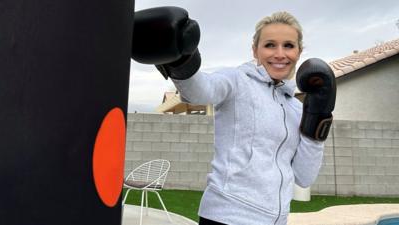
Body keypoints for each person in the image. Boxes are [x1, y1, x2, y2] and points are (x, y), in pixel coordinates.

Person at [131, 7, 336, 225]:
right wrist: (182, 60)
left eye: (288, 45)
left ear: (299, 51)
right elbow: (200, 90)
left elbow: (304, 177)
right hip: (227, 216)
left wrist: (318, 115)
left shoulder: (296, 107)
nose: (279, 54)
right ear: (255, 50)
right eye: (269, 45)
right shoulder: (237, 81)